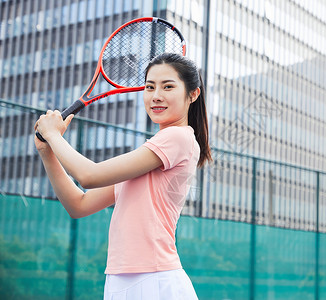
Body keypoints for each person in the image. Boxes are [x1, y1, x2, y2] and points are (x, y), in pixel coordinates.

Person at [34, 53, 212, 299]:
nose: (156, 95)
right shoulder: (146, 157)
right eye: (149, 87)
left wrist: (54, 135)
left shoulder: (178, 137)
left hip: (155, 279)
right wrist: (47, 152)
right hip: (122, 279)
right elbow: (79, 205)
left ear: (193, 94)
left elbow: (89, 175)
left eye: (168, 86)